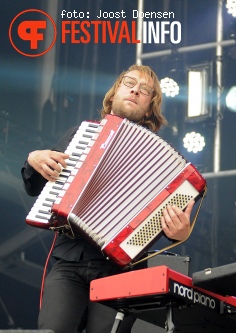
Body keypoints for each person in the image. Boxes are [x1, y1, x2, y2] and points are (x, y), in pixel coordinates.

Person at [22, 64, 195, 333]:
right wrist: (33, 159)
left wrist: (180, 233)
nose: (136, 89)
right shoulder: (79, 136)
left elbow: (175, 221)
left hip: (120, 271)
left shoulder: (162, 162)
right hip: (69, 262)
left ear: (149, 107)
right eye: (129, 83)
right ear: (114, 93)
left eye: (146, 90)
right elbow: (35, 187)